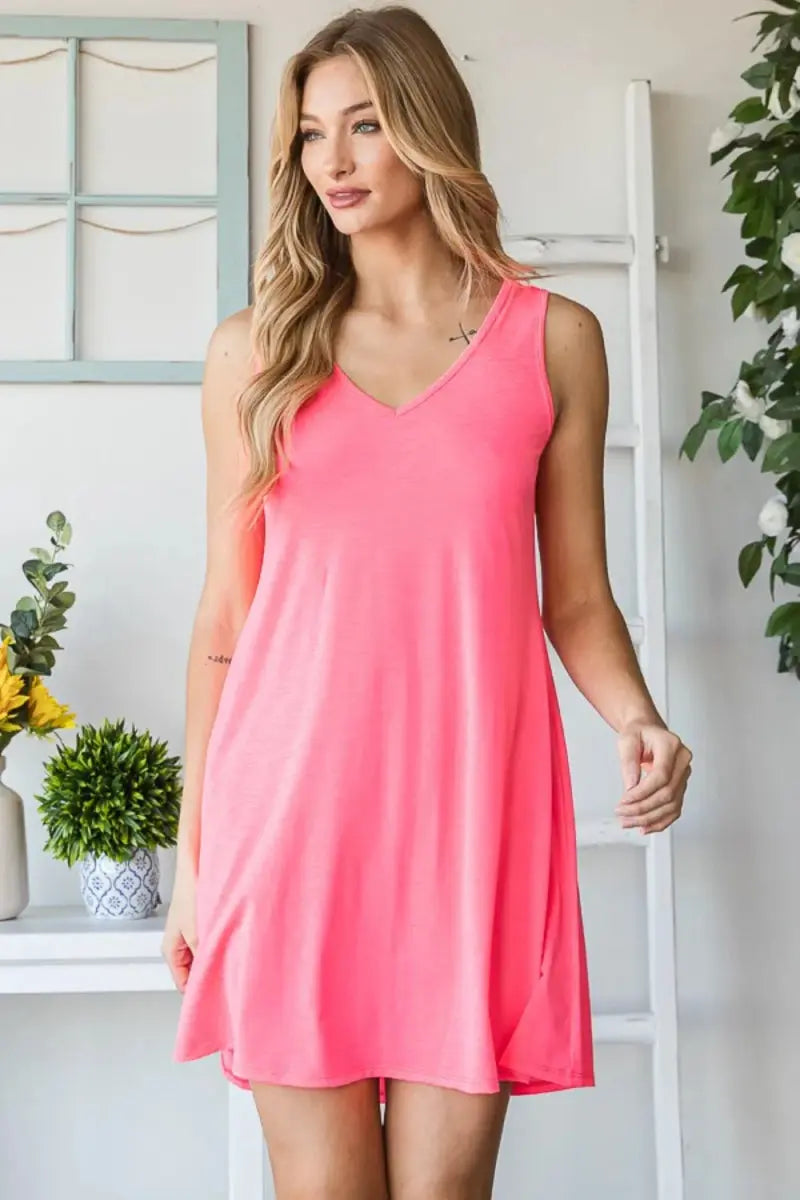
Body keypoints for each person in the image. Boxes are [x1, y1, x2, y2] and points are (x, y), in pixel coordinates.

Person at [162, 5, 693, 1197]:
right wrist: (195, 858)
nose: (334, 161)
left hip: (468, 823)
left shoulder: (551, 340)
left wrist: (637, 717)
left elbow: (577, 600)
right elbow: (223, 625)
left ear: (427, 128)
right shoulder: (254, 353)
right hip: (289, 821)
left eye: (364, 125)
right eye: (311, 134)